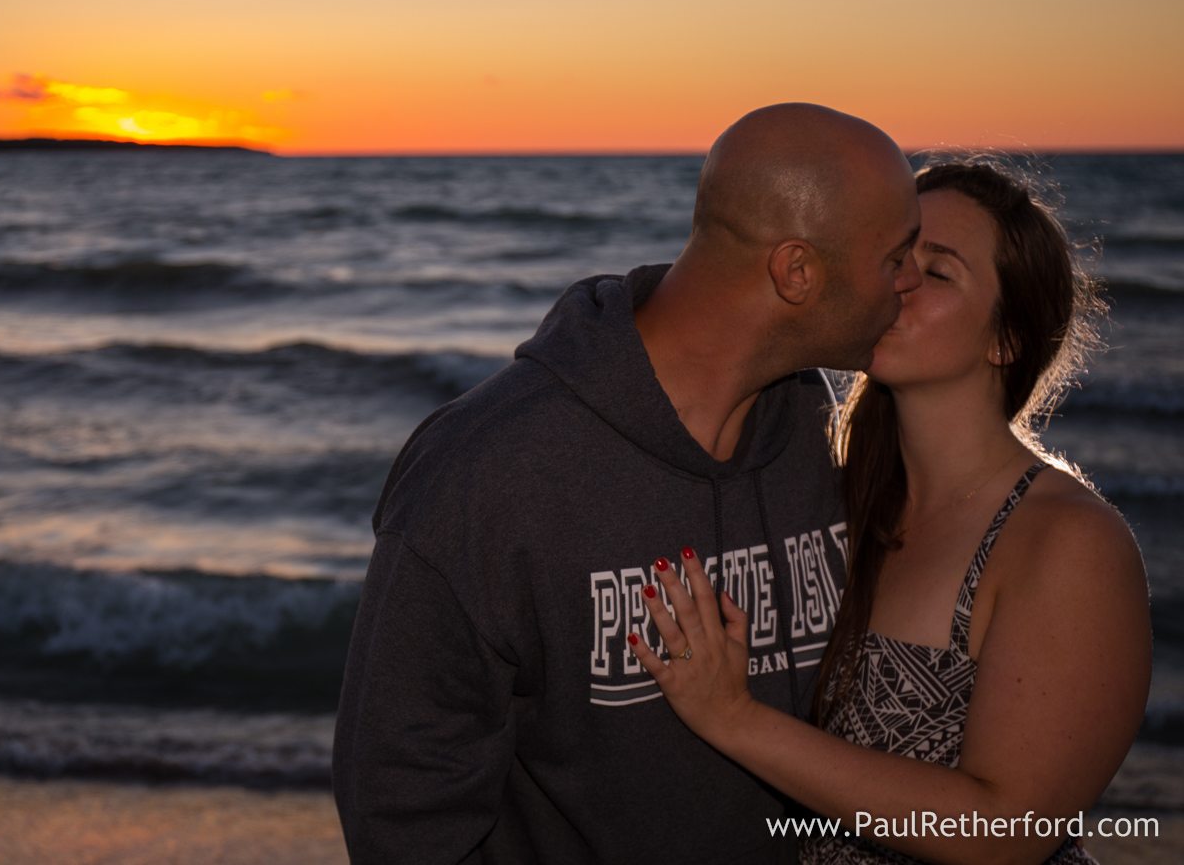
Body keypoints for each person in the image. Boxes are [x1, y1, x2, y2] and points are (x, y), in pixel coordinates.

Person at [334, 102, 924, 863]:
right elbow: (404, 815)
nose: (912, 282)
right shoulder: (487, 474)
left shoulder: (817, 438)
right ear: (798, 272)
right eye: (897, 257)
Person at [628, 157, 1151, 863]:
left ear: (1007, 340)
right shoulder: (832, 495)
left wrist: (733, 719)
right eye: (895, 256)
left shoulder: (1066, 540)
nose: (898, 281)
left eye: (937, 272)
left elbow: (1008, 830)